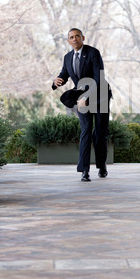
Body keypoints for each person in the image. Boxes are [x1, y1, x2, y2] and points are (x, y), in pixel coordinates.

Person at [52, 28, 111, 182]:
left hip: (100, 98)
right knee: (85, 131)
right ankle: (84, 170)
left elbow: (98, 79)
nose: (75, 39)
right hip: (82, 100)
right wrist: (57, 81)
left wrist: (85, 96)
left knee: (99, 133)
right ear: (68, 41)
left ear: (82, 37)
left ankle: (101, 165)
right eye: (71, 37)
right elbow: (64, 75)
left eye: (77, 36)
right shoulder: (67, 57)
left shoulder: (93, 53)